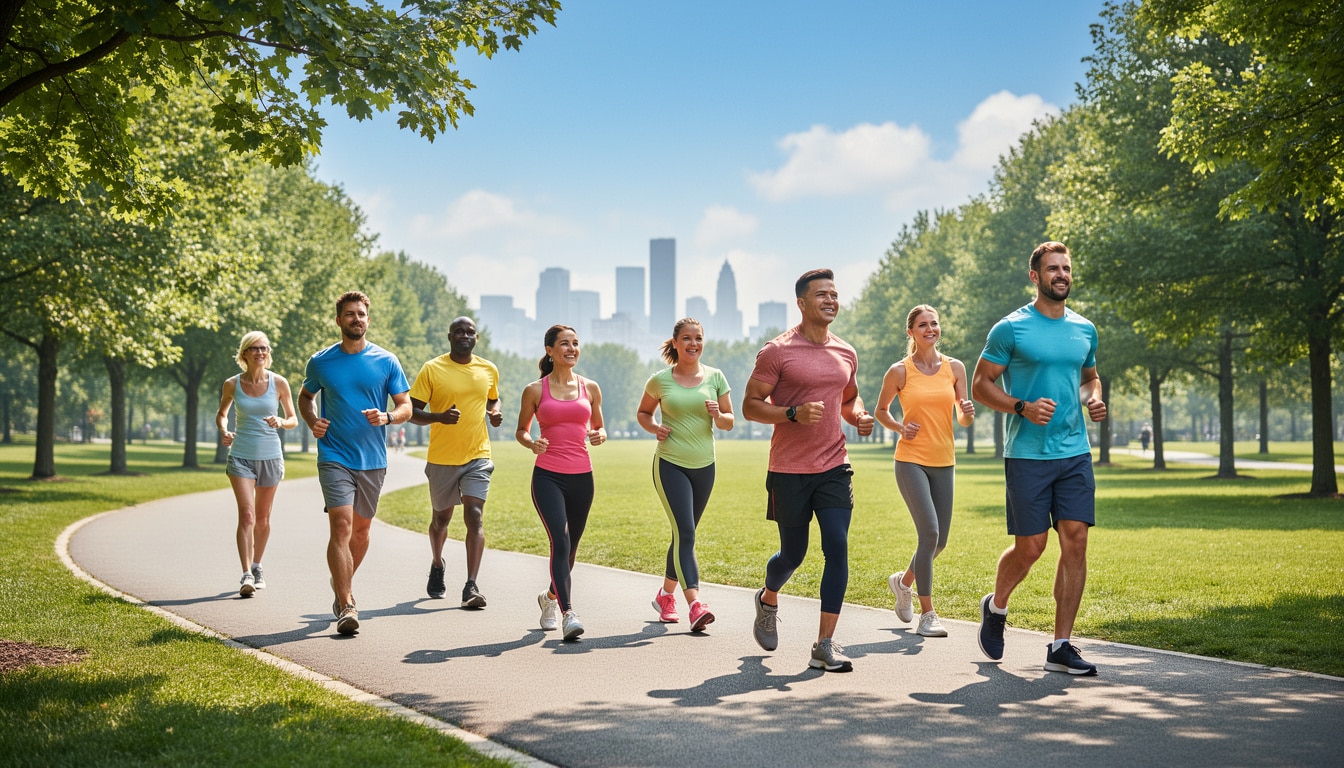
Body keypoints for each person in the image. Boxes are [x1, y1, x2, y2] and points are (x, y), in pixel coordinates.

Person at [971, 241, 1107, 675]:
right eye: (1053, 269)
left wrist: (1094, 400)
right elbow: (980, 384)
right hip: (1027, 454)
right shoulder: (1011, 329)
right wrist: (1020, 407)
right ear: (1035, 276)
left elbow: (1089, 378)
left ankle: (1061, 645)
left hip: (1074, 452)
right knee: (1031, 548)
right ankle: (996, 606)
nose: (1062, 274)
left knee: (1076, 540)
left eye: (1066, 268)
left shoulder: (1084, 329)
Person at [742, 269, 874, 672]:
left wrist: (860, 415)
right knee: (793, 554)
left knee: (837, 545)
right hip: (789, 468)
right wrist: (791, 413)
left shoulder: (846, 352)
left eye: (834, 294)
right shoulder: (777, 351)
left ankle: (825, 644)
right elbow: (750, 404)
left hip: (835, 464)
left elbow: (849, 398)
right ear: (802, 303)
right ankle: (767, 596)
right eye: (822, 295)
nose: (831, 300)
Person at [299, 291, 411, 636]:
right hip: (334, 455)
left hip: (373, 458)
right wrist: (311, 419)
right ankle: (347, 602)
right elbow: (306, 397)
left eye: (361, 314)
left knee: (362, 531)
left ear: (368, 319)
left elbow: (405, 405)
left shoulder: (386, 361)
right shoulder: (321, 362)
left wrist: (389, 417)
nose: (356, 319)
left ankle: (340, 584)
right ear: (339, 320)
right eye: (349, 314)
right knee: (342, 528)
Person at [874, 305, 975, 637]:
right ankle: (928, 613)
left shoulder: (955, 368)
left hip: (944, 460)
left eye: (934, 323)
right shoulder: (899, 371)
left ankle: (903, 583)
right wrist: (901, 428)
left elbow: (963, 418)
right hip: (911, 460)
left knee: (940, 542)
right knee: (928, 533)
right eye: (922, 324)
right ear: (911, 332)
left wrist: (967, 412)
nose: (930, 328)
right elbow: (881, 412)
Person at [637, 318, 735, 632]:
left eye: (698, 338)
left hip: (705, 466)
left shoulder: (716, 377)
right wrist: (654, 427)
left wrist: (718, 415)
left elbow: (729, 422)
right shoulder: (660, 380)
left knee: (684, 534)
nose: (693, 344)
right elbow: (643, 412)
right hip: (670, 464)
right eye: (687, 339)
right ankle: (695, 604)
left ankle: (665, 596)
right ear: (676, 343)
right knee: (687, 534)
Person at [514, 324, 607, 641]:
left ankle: (549, 597)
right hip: (548, 476)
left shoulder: (590, 388)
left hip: (582, 477)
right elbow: (521, 431)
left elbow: (599, 427)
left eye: (575, 344)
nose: (571, 349)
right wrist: (531, 443)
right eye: (564, 344)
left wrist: (598, 435)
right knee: (561, 542)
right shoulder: (535, 390)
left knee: (570, 552)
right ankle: (569, 613)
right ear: (550, 351)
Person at [409, 316, 503, 608]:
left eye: (470, 331)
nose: (465, 335)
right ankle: (438, 564)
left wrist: (494, 412)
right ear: (449, 337)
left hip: (478, 455)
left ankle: (471, 586)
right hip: (442, 459)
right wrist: (439, 417)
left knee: (474, 514)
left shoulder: (488, 369)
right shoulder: (432, 369)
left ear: (477, 338)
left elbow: (492, 399)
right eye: (459, 331)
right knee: (441, 519)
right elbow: (411, 411)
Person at [216, 331, 298, 597]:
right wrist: (224, 431)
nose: (261, 352)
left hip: (271, 456)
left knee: (263, 518)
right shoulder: (232, 384)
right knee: (248, 515)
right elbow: (222, 415)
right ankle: (245, 574)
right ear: (244, 354)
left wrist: (281, 422)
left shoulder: (279, 383)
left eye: (264, 348)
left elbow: (293, 419)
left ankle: (257, 564)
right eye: (255, 348)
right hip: (240, 455)